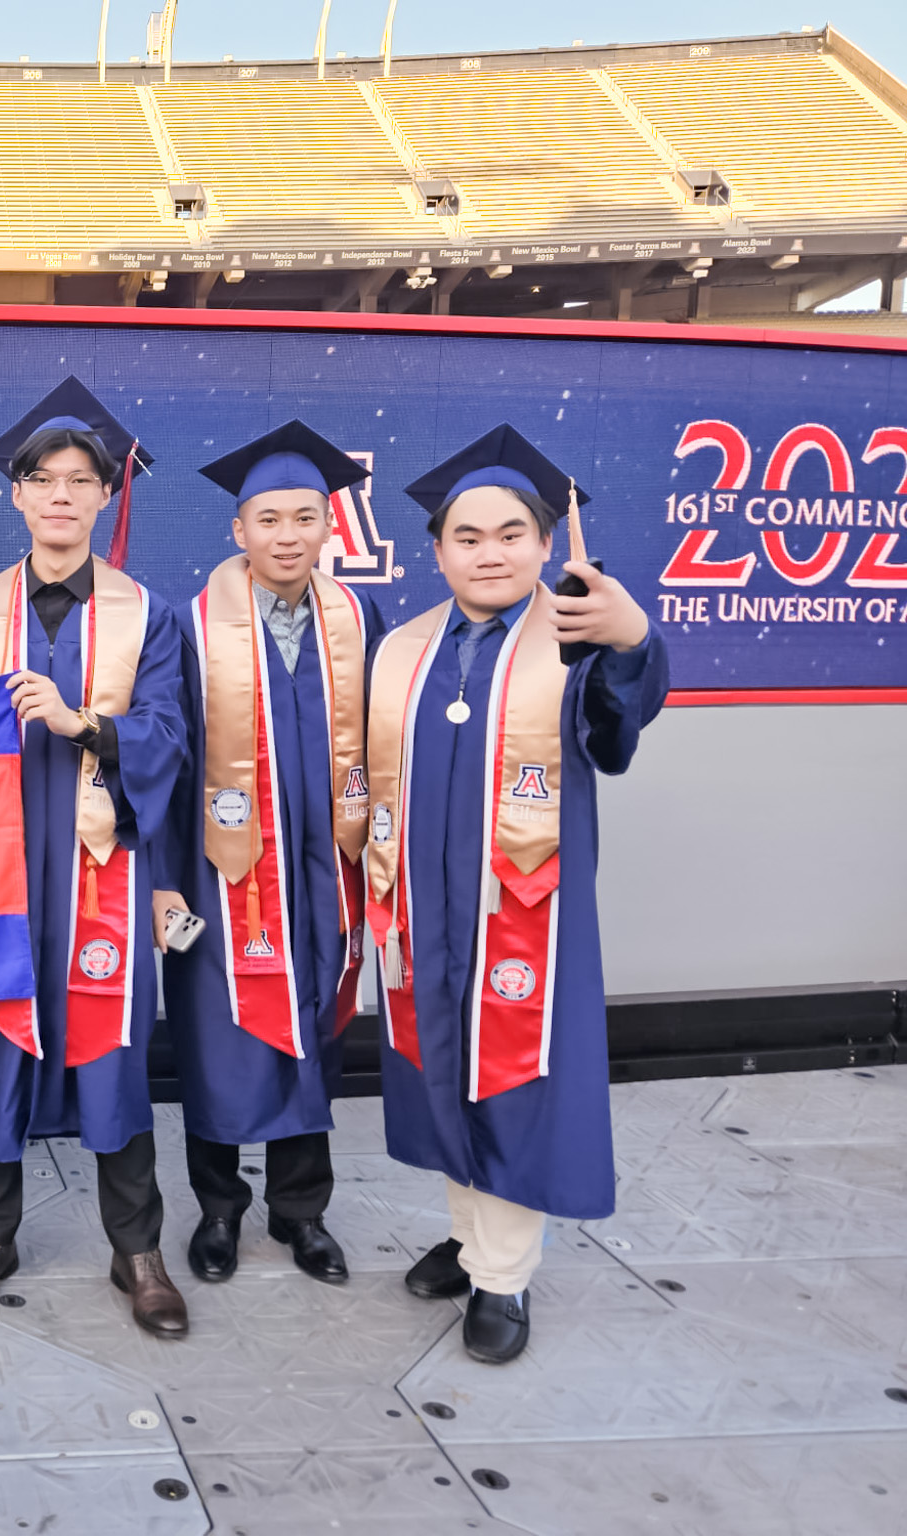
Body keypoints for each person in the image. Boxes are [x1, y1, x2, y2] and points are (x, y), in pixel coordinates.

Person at [371, 425, 666, 1363]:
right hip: (425, 908)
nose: (489, 552)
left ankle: (503, 1275)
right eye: (467, 536)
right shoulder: (405, 648)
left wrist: (632, 641)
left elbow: (617, 725)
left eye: (511, 534)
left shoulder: (574, 641)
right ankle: (470, 1241)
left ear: (544, 545)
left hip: (522, 913)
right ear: (438, 551)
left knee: (512, 1074)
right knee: (441, 1067)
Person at [0, 377, 190, 1337]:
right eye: (43, 479)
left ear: (104, 495)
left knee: (111, 1050)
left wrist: (85, 723)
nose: (61, 495)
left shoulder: (146, 613)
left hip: (100, 867)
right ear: (16, 493)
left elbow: (171, 731)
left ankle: (138, 1249)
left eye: (81, 480)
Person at [155, 422, 387, 1287]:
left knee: (314, 1029)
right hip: (221, 867)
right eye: (268, 519)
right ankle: (219, 1210)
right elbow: (165, 760)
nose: (288, 536)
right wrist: (164, 881)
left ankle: (301, 1211)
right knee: (217, 1035)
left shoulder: (358, 620)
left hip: (328, 870)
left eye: (305, 517)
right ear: (238, 529)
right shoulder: (188, 626)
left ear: (330, 525)